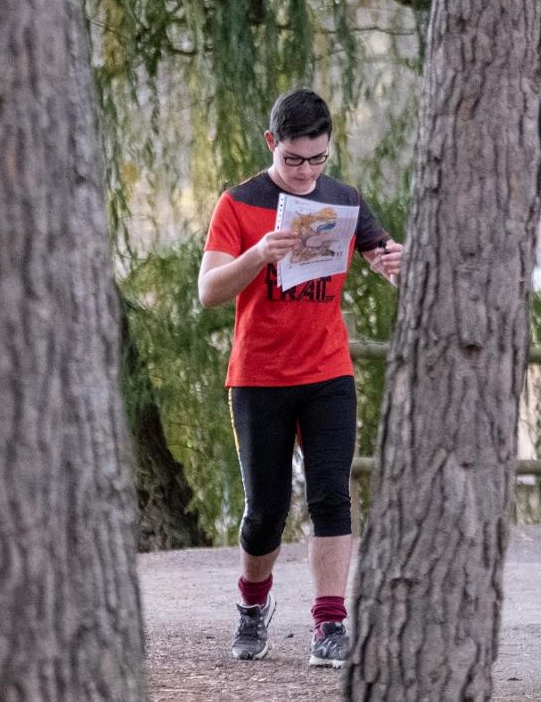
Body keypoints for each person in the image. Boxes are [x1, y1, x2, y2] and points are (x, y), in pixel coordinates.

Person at [198, 89, 402, 669]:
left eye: (318, 159)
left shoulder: (345, 201)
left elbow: (383, 259)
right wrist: (259, 254)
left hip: (327, 372)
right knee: (265, 510)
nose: (307, 171)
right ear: (272, 144)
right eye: (295, 160)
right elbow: (209, 291)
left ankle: (330, 623)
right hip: (259, 377)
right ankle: (252, 605)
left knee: (332, 496)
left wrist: (397, 266)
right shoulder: (238, 203)